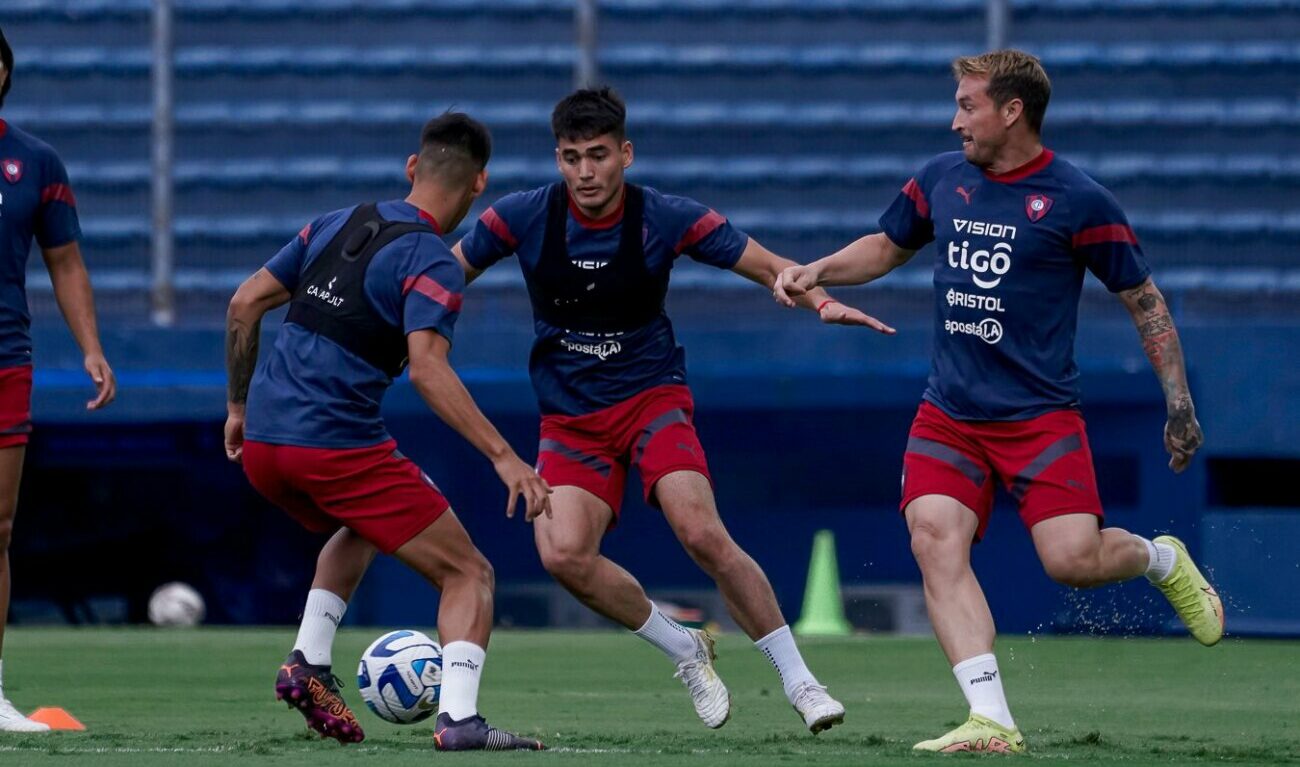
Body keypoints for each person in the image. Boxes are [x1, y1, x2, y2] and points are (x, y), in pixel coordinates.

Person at [775, 49, 1222, 754]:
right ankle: (991, 718)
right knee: (933, 534)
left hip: (1040, 418)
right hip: (949, 413)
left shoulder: (1079, 200)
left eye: (967, 106)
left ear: (1012, 111)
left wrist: (1179, 403)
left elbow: (1144, 300)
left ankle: (1161, 559)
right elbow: (888, 247)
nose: (955, 121)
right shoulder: (940, 180)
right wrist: (820, 269)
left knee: (1071, 560)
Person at [453, 87, 890, 734]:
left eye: (598, 155)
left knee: (702, 531)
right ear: (558, 158)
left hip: (650, 398)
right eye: (571, 157)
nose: (585, 171)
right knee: (564, 554)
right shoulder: (520, 216)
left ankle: (802, 682)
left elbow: (770, 266)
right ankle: (685, 647)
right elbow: (441, 275)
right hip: (570, 416)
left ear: (625, 154)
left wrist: (820, 300)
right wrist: (390, 323)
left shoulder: (665, 216)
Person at [224, 112, 550, 751]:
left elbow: (243, 302)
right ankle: (459, 720)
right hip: (333, 444)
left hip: (263, 443)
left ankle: (309, 661)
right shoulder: (433, 260)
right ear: (478, 183)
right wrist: (505, 457)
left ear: (412, 166)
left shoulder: (332, 222)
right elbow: (429, 372)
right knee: (470, 574)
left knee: (370, 524)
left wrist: (237, 407)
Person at [0, 27, 116, 733]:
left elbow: (65, 261)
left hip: (5, 356)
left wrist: (91, 348)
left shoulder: (34, 161)